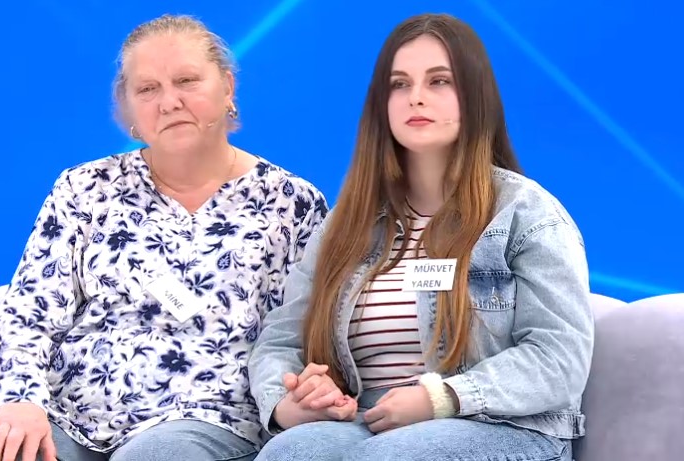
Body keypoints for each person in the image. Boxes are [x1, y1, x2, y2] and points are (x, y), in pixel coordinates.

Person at [0, 13, 327, 461]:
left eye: (186, 81)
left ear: (227, 87)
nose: (169, 102)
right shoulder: (84, 188)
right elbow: (28, 315)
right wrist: (18, 399)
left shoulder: (291, 203)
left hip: (209, 417)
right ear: (128, 109)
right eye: (147, 89)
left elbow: (294, 336)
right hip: (71, 416)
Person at [248, 12, 593, 461]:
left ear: (475, 97)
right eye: (399, 84)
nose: (416, 97)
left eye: (439, 81)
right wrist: (288, 401)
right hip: (368, 422)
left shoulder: (527, 213)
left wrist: (441, 397)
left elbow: (559, 357)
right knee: (290, 452)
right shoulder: (345, 224)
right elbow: (281, 340)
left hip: (504, 425)